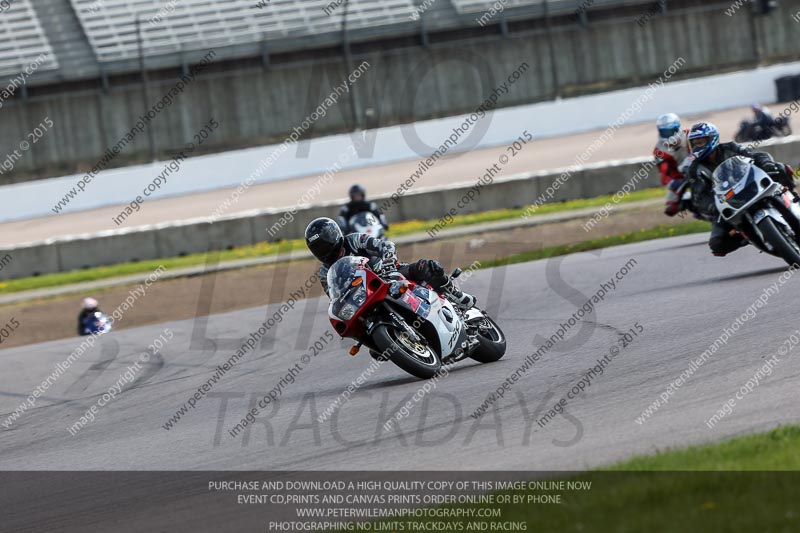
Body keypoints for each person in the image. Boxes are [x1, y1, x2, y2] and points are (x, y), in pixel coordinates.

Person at [304, 217, 475, 310]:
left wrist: (388, 262)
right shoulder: (325, 273)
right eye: (317, 248)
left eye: (324, 244)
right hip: (366, 297)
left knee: (427, 266)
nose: (322, 250)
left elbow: (384, 245)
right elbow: (335, 297)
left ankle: (456, 295)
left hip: (390, 273)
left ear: (334, 236)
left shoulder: (354, 240)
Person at [684, 122, 795, 257]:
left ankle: (793, 198)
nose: (697, 146)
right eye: (695, 143)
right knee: (717, 244)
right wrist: (710, 206)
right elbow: (698, 195)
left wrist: (767, 165)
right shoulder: (694, 169)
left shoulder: (731, 148)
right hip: (726, 202)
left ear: (712, 139)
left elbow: (756, 157)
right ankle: (747, 235)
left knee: (781, 168)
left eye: (701, 142)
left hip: (749, 185)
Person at [653, 113, 693, 216]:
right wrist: (674, 180)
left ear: (678, 127)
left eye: (671, 130)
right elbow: (664, 171)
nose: (669, 134)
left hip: (699, 165)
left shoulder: (690, 135)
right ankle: (687, 204)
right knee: (670, 208)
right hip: (680, 176)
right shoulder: (659, 150)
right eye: (665, 131)